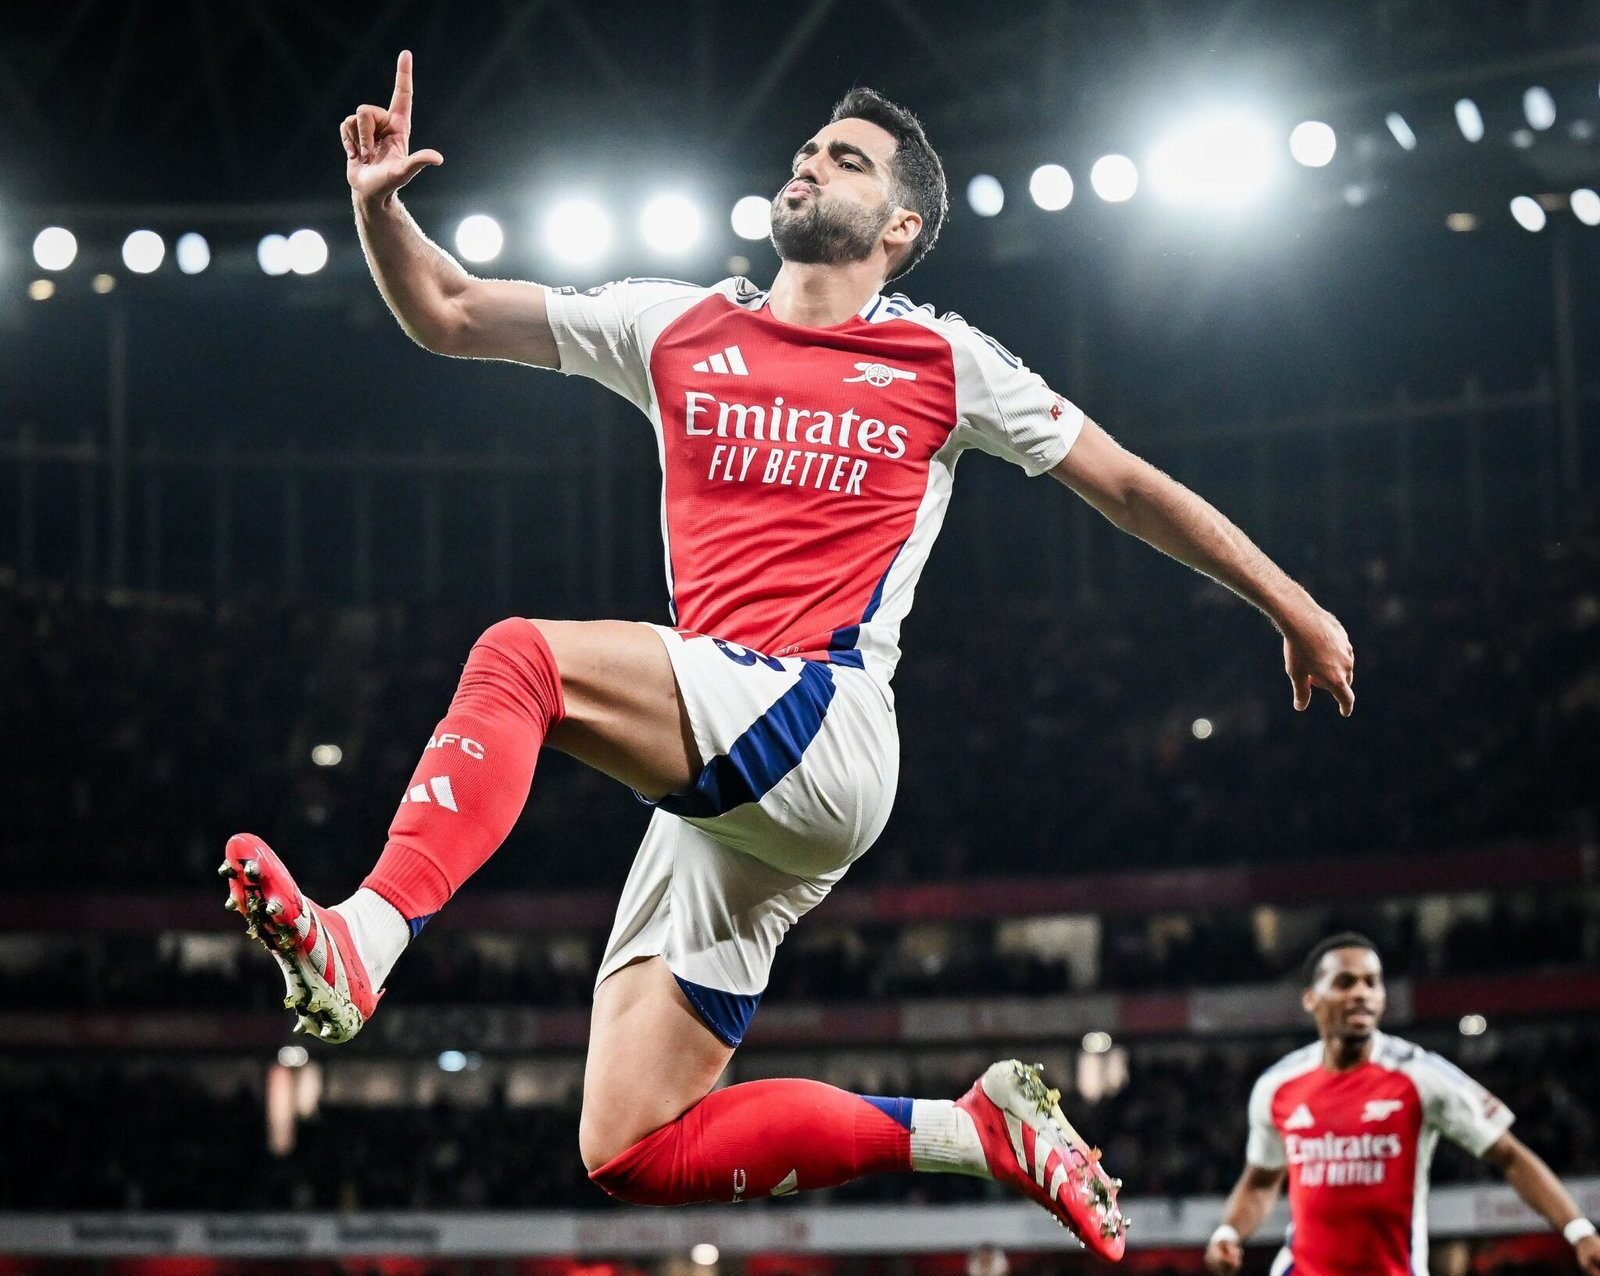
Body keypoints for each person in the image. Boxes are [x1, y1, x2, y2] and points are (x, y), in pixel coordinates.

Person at [223, 51, 1356, 1256]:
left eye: (847, 159)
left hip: (825, 721)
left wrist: (1291, 604)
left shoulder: (945, 360)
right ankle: (970, 1131)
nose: (811, 162)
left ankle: (365, 939)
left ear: (899, 225)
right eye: (810, 148)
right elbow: (450, 311)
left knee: (523, 660)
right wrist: (379, 211)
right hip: (734, 769)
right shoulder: (673, 322)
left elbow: (1121, 483)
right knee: (630, 1143)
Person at [1204, 933, 1600, 1276]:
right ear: (1311, 998)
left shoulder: (1421, 1074)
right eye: (1345, 982)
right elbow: (1260, 1182)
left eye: (1371, 983)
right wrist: (1228, 1233)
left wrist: (1579, 1231)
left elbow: (1510, 1155)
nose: (1361, 993)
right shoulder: (1278, 1086)